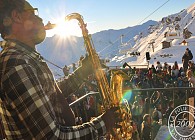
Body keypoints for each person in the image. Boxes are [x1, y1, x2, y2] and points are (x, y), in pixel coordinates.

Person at [0, 0, 119, 139]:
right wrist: (103, 123)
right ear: (17, 16)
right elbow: (52, 137)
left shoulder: (25, 57)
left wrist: (82, 72)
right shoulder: (16, 63)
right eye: (34, 13)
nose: (41, 18)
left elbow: (49, 96)